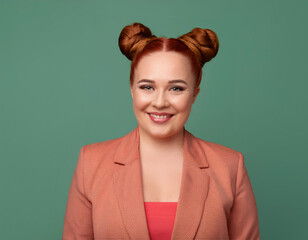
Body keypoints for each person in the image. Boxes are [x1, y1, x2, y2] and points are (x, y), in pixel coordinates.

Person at [62, 22, 260, 240]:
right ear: (131, 89)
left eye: (176, 88)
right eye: (147, 87)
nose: (159, 102)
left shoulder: (230, 167)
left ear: (194, 94)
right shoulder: (90, 163)